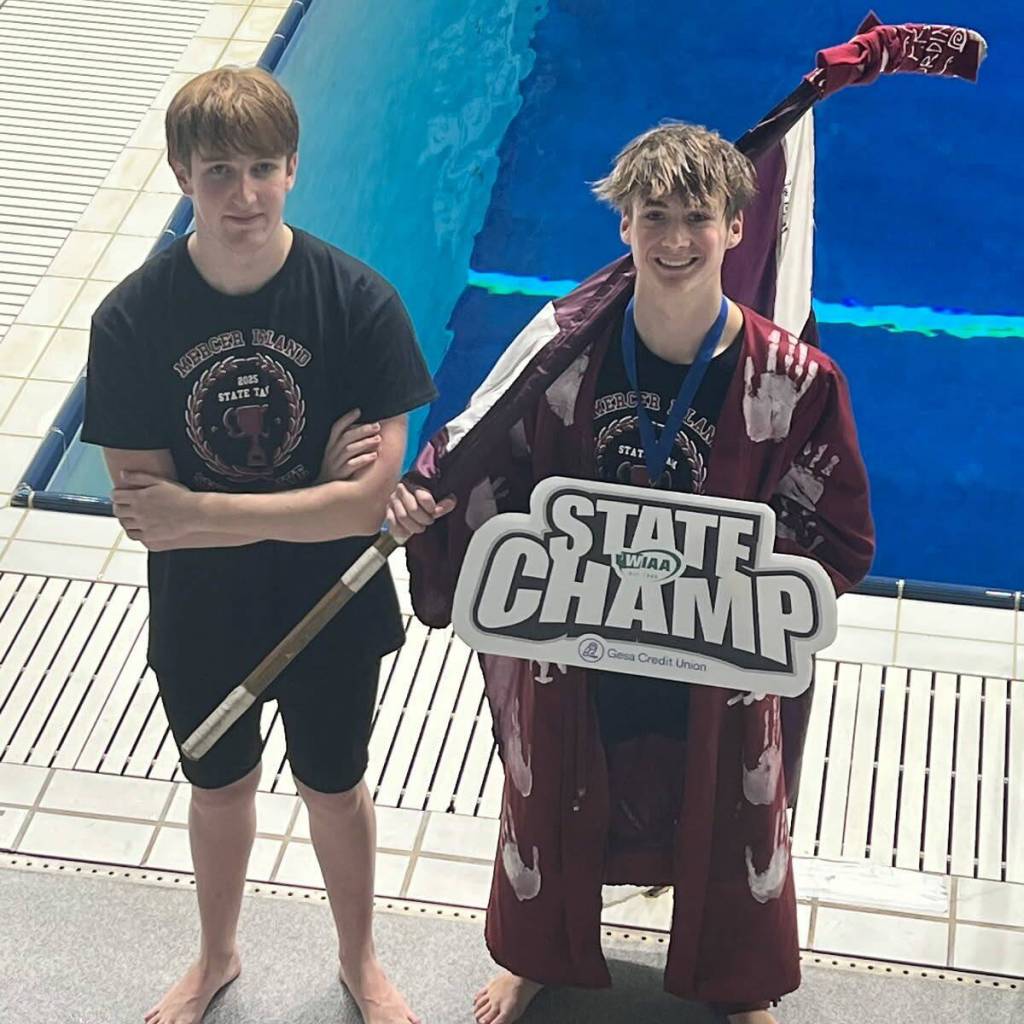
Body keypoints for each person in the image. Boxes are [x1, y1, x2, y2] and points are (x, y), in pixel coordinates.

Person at [387, 122, 875, 1024]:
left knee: (729, 813)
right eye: (655, 216)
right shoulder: (565, 354)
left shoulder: (795, 379)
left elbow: (835, 531)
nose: (676, 238)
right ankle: (538, 956)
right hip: (582, 647)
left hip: (712, 663)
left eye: (699, 217)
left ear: (738, 226)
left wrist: (747, 592)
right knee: (552, 797)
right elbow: (493, 457)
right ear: (625, 227)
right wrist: (433, 502)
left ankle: (740, 982)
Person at [82, 67, 437, 1024]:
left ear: (294, 170)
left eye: (265, 169)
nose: (244, 195)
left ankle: (360, 961)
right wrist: (312, 495)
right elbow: (143, 505)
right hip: (202, 613)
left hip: (332, 600)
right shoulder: (129, 320)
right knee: (219, 788)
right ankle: (217, 956)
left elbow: (362, 509)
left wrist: (211, 513)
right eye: (219, 171)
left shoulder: (358, 303)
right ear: (180, 174)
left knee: (335, 786)